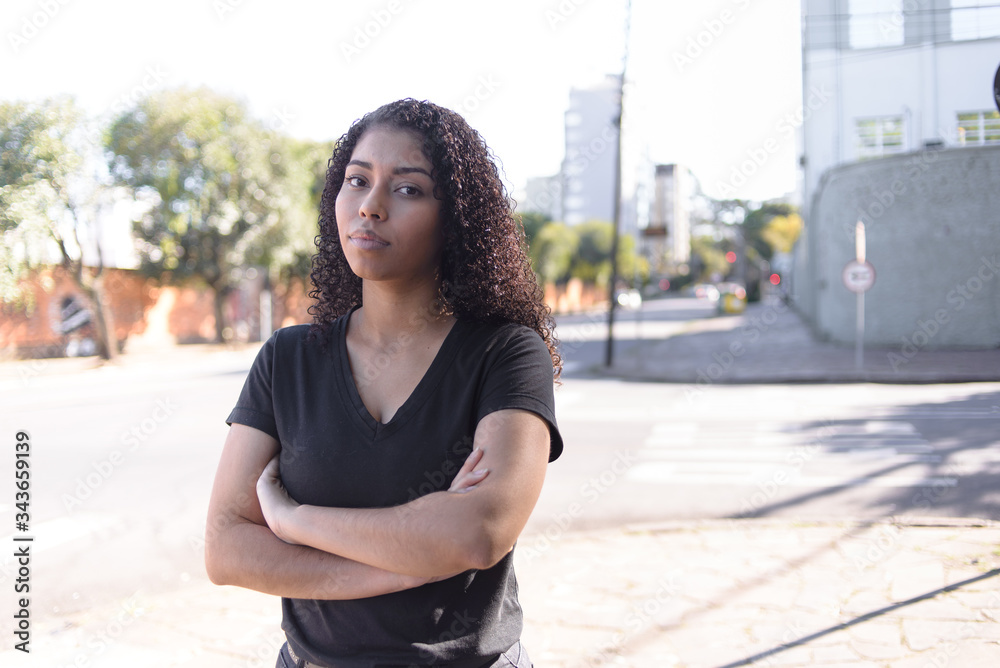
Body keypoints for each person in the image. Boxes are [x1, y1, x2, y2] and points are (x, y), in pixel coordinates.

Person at [205, 98, 563, 668]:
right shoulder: (288, 359)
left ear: (457, 221)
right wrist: (407, 561)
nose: (370, 207)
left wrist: (293, 521)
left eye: (408, 189)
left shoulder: (505, 353)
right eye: (357, 180)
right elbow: (226, 549)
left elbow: (477, 535)